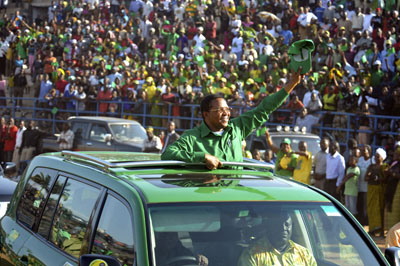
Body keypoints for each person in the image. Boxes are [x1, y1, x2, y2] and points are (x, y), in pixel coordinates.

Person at [161, 69, 303, 170]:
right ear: (205, 114)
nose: (226, 114)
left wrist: (291, 84)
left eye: (227, 109)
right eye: (220, 110)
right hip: (209, 199)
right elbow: (168, 154)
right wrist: (202, 157)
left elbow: (264, 108)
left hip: (234, 199)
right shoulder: (192, 137)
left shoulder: (237, 127)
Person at [237, 208, 317, 266]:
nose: (283, 228)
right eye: (278, 224)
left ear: (292, 226)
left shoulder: (304, 254)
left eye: (287, 224)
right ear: (269, 227)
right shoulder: (252, 254)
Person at [365, 148, 388, 237]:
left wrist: (376, 178)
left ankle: (381, 230)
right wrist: (370, 177)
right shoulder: (371, 166)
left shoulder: (384, 167)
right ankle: (372, 229)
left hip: (380, 191)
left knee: (380, 209)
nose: (375, 158)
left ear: (382, 158)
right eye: (375, 156)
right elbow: (365, 178)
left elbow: (385, 179)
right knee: (371, 209)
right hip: (371, 190)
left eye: (378, 156)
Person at [357, 144, 372, 225]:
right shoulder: (360, 160)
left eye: (364, 150)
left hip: (367, 187)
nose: (362, 152)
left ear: (369, 152)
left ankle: (366, 223)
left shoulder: (371, 161)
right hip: (359, 186)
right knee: (360, 205)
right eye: (361, 150)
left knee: (365, 206)